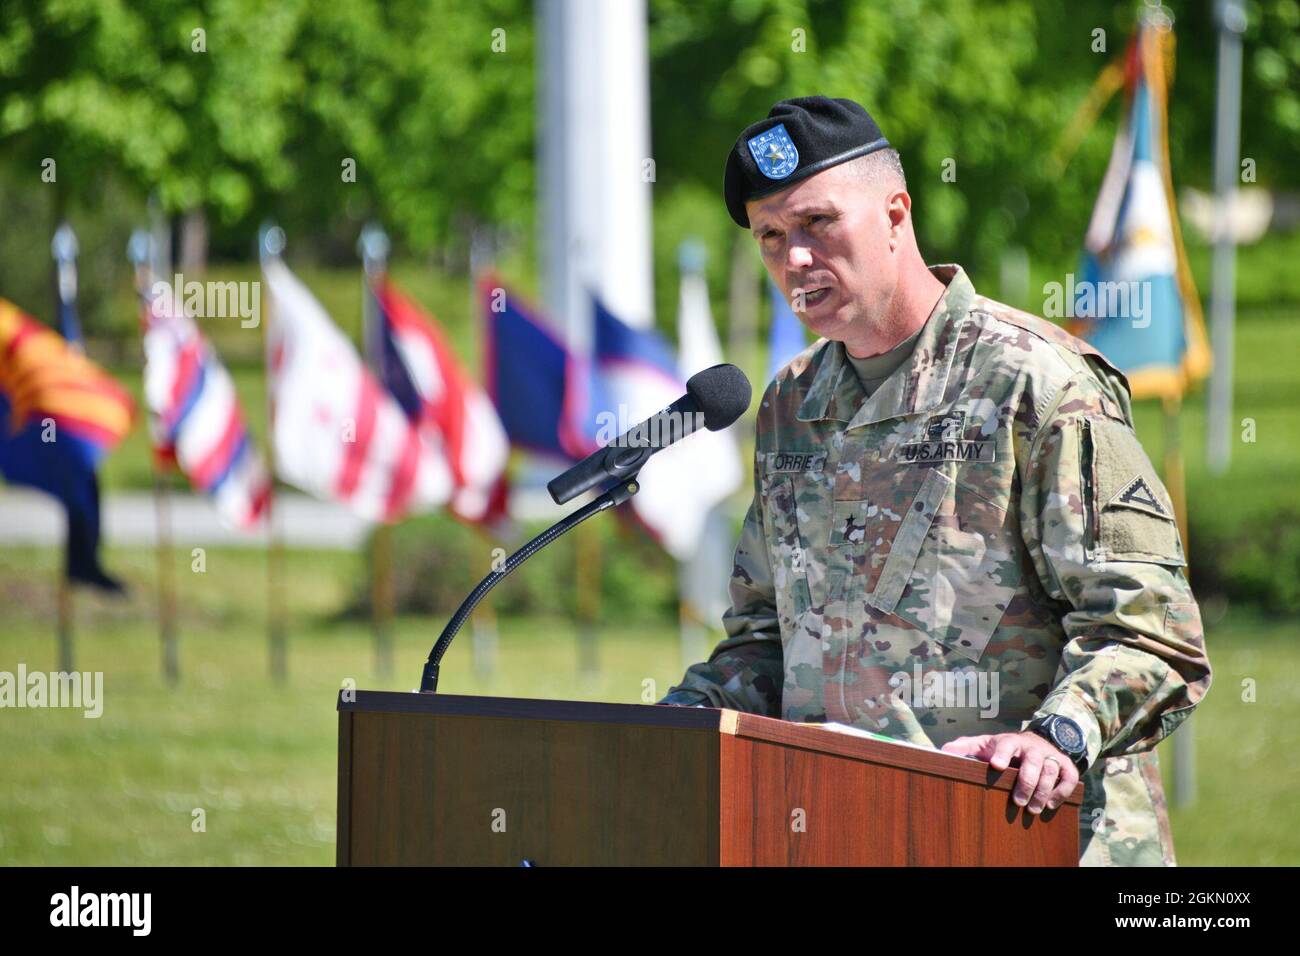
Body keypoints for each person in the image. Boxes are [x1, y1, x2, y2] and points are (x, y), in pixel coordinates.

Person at [659, 96, 1211, 866]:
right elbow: (765, 644)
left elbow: (1153, 632)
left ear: (895, 213)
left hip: (1030, 837)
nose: (795, 260)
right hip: (851, 835)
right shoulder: (791, 404)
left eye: (818, 223)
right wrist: (678, 719)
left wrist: (1057, 733)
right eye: (772, 237)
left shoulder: (1033, 381)